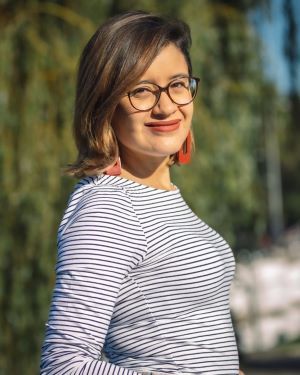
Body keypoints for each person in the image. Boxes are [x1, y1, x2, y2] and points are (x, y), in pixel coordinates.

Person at [41, 11, 243, 375]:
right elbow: (63, 364)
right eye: (142, 91)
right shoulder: (109, 206)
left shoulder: (161, 196)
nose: (166, 106)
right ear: (105, 104)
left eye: (178, 84)